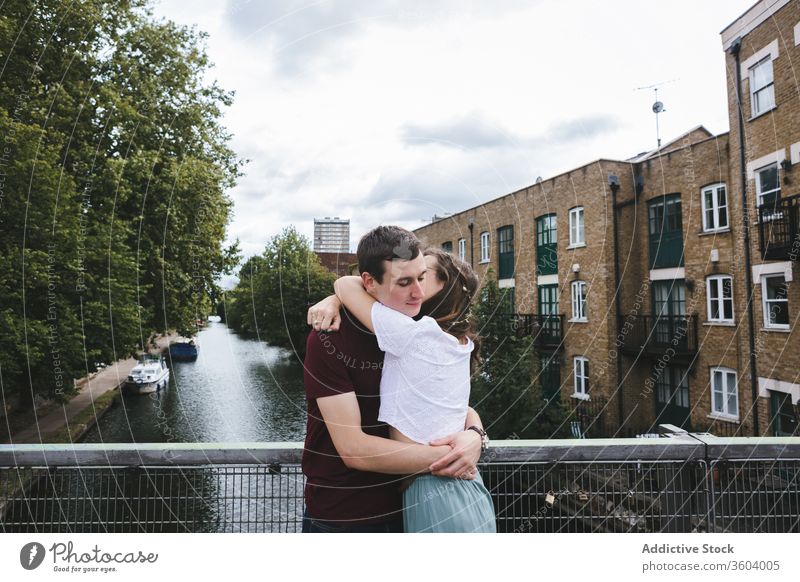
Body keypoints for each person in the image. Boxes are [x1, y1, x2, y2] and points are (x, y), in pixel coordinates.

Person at [302, 226, 486, 533]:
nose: (416, 290)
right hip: (346, 518)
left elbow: (452, 407)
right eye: (405, 281)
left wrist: (475, 435)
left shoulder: (422, 333)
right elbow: (353, 449)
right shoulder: (331, 337)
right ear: (370, 283)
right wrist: (451, 455)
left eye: (422, 277)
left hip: (412, 509)